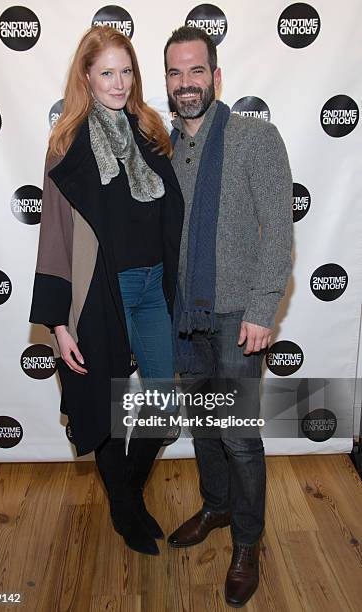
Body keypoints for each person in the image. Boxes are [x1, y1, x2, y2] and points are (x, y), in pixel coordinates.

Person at [29, 25, 184, 556]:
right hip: (100, 293)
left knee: (162, 405)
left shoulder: (150, 131)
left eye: (127, 71)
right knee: (107, 411)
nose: (119, 83)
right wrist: (57, 323)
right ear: (86, 78)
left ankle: (125, 495)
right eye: (107, 73)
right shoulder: (65, 147)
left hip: (151, 287)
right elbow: (54, 239)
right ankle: (125, 507)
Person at [164, 26, 293, 606]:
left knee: (240, 436)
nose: (186, 84)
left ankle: (247, 540)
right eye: (175, 73)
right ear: (166, 81)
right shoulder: (161, 149)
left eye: (196, 71)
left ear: (215, 77)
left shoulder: (253, 138)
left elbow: (278, 231)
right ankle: (215, 506)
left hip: (239, 314)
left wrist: (265, 306)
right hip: (183, 316)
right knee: (204, 425)